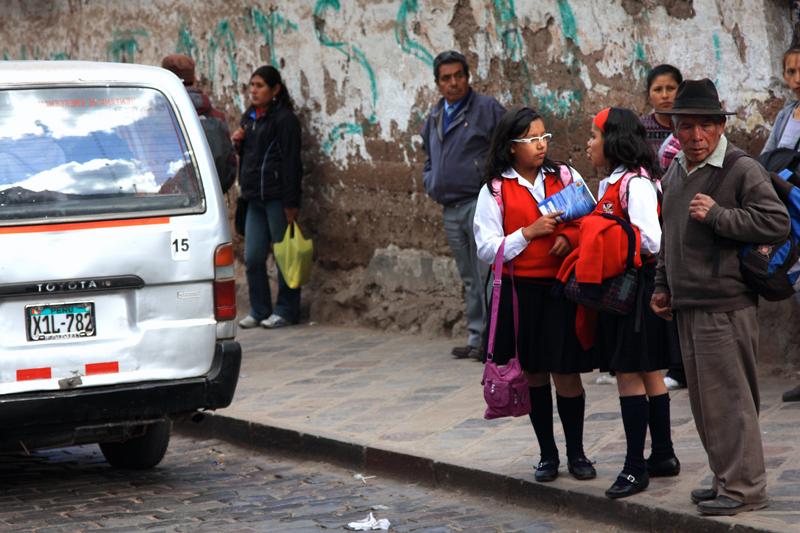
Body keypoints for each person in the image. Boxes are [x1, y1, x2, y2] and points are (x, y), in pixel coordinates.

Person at [652, 79, 790, 515]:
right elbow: (669, 233)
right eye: (686, 127)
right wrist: (662, 284)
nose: (695, 136)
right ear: (675, 128)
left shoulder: (739, 168)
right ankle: (725, 478)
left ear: (718, 126)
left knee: (731, 402)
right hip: (688, 304)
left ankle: (746, 488)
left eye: (704, 127)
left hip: (725, 305)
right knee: (706, 404)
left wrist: (719, 216)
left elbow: (775, 222)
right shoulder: (677, 170)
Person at [474, 107, 596, 483]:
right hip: (520, 292)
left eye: (544, 137)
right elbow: (486, 247)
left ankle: (577, 453)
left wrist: (565, 237)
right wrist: (528, 233)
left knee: (567, 371)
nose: (541, 145)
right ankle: (548, 454)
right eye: (531, 140)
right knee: (535, 373)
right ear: (512, 147)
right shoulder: (495, 189)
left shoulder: (564, 175)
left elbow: (589, 220)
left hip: (560, 288)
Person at [584, 107, 679, 499]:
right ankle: (664, 455)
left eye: (594, 134)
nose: (589, 143)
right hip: (630, 288)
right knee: (650, 372)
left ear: (614, 140)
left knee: (630, 374)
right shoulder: (616, 180)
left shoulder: (635, 184)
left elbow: (653, 240)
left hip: (636, 290)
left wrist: (610, 238)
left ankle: (634, 467)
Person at [422, 50, 505, 360]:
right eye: (446, 78)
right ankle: (476, 335)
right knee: (469, 275)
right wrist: (430, 179)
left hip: (478, 202)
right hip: (450, 207)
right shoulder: (434, 115)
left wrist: (492, 186)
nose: (454, 83)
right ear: (438, 83)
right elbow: (428, 154)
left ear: (467, 77)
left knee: (487, 273)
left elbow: (506, 145)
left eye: (459, 76)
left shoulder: (486, 109)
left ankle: (494, 339)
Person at [235, 66, 303, 329]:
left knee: (284, 255)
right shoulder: (250, 118)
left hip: (277, 198)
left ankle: (286, 309)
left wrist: (291, 202)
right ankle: (260, 308)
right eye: (252, 85)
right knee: (253, 256)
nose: (254, 90)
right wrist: (238, 142)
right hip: (254, 199)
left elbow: (292, 162)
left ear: (275, 90)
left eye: (260, 85)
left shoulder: (285, 120)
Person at [640, 64, 687, 391]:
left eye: (671, 89)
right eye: (659, 90)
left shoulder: (688, 127)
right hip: (655, 215)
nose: (665, 95)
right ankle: (669, 362)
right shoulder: (641, 130)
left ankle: (683, 365)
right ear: (649, 94)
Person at [764, 45, 800, 402]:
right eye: (790, 71)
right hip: (790, 211)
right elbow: (767, 155)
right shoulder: (786, 115)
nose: (796, 79)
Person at [161, 54, 236, 194]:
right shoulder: (217, 116)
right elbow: (229, 163)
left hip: (170, 204)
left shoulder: (160, 117)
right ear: (194, 78)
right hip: (210, 199)